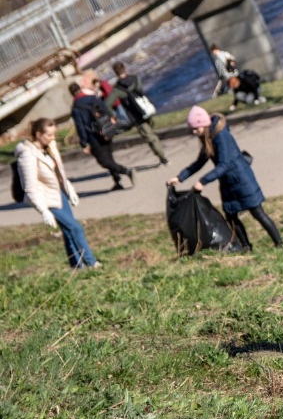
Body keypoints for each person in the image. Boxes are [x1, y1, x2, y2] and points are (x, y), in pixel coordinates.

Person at [167, 106, 283, 250]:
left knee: (257, 213)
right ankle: (246, 246)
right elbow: (199, 162)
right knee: (231, 216)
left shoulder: (221, 136)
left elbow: (224, 165)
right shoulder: (208, 137)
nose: (194, 131)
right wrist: (179, 178)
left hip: (241, 179)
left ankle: (280, 244)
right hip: (228, 183)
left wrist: (203, 181)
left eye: (196, 128)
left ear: (203, 123)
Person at [14, 118, 101, 270]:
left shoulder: (48, 147)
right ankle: (92, 263)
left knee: (68, 231)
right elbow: (30, 187)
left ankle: (76, 267)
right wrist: (43, 210)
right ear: (39, 134)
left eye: (54, 134)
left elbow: (58, 173)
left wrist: (69, 189)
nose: (53, 138)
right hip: (46, 199)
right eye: (49, 135)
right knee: (76, 228)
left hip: (58, 194)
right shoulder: (27, 155)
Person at [69, 81, 135, 191]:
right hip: (106, 130)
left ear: (72, 94)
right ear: (80, 88)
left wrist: (83, 143)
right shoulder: (93, 98)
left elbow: (80, 126)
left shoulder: (76, 107)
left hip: (93, 136)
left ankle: (126, 171)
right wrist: (111, 119)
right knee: (109, 157)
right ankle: (117, 182)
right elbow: (105, 109)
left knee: (104, 161)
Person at [104, 62, 169, 165]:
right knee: (151, 132)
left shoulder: (117, 89)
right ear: (124, 68)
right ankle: (160, 155)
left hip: (136, 116)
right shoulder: (136, 79)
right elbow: (140, 91)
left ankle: (162, 157)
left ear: (115, 73)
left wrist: (113, 115)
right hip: (147, 109)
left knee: (150, 137)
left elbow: (107, 104)